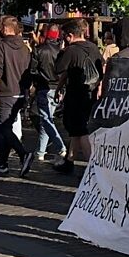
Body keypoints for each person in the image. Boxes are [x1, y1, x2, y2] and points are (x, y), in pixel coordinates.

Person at [0, 15, 36, 177]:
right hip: (20, 92)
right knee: (6, 127)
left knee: (2, 127)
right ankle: (3, 163)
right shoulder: (25, 48)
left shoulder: (2, 47)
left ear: (6, 29)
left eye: (2, 27)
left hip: (6, 92)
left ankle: (23, 154)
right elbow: (29, 72)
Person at [53, 18, 103, 173]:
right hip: (91, 94)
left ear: (69, 35)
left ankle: (92, 169)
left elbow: (59, 68)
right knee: (77, 130)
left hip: (76, 95)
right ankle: (69, 160)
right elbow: (101, 69)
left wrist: (61, 51)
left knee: (81, 131)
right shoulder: (94, 48)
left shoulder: (71, 50)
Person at [29, 25, 66, 163]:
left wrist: (35, 83)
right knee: (47, 119)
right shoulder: (61, 52)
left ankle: (60, 146)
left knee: (46, 119)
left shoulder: (39, 50)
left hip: (44, 88)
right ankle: (40, 152)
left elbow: (33, 70)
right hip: (57, 88)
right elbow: (64, 72)